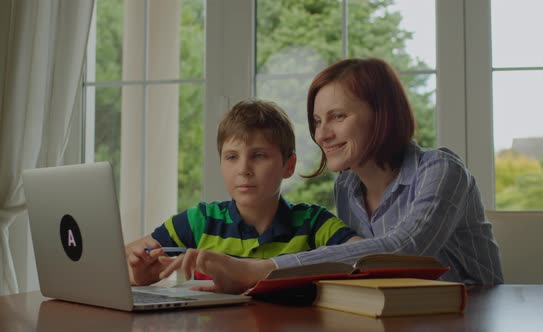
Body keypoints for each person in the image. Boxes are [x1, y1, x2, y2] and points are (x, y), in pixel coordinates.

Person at [161, 57, 504, 294]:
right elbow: (356, 268)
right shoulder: (347, 185)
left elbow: (405, 250)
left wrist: (261, 269)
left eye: (337, 117)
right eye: (317, 121)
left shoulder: (442, 171)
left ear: (382, 115)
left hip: (470, 315)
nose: (322, 135)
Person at [126, 99, 361, 286]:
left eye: (258, 155)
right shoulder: (200, 221)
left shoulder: (314, 222)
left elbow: (366, 256)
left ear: (288, 166)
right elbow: (128, 259)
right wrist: (140, 274)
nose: (243, 170)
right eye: (231, 157)